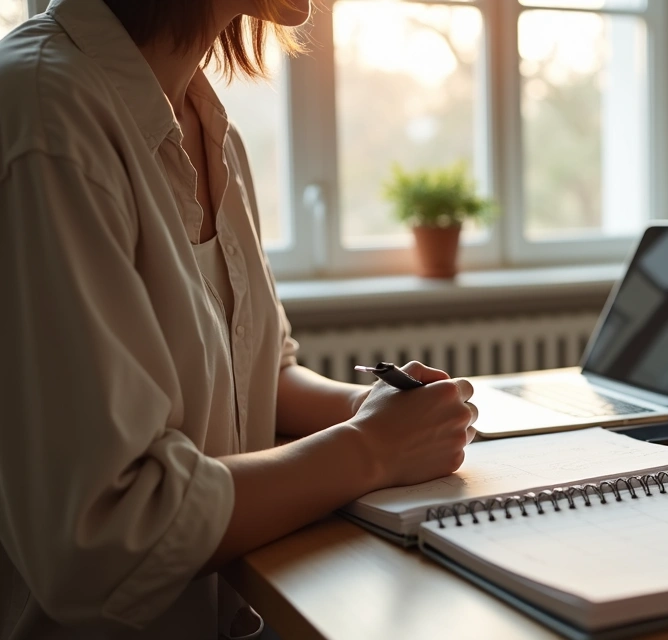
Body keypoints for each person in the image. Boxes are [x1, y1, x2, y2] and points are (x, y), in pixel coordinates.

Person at [0, 0, 478, 637]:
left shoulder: (208, 125)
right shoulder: (43, 114)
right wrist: (371, 448)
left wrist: (377, 409)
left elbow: (262, 374)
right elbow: (107, 531)